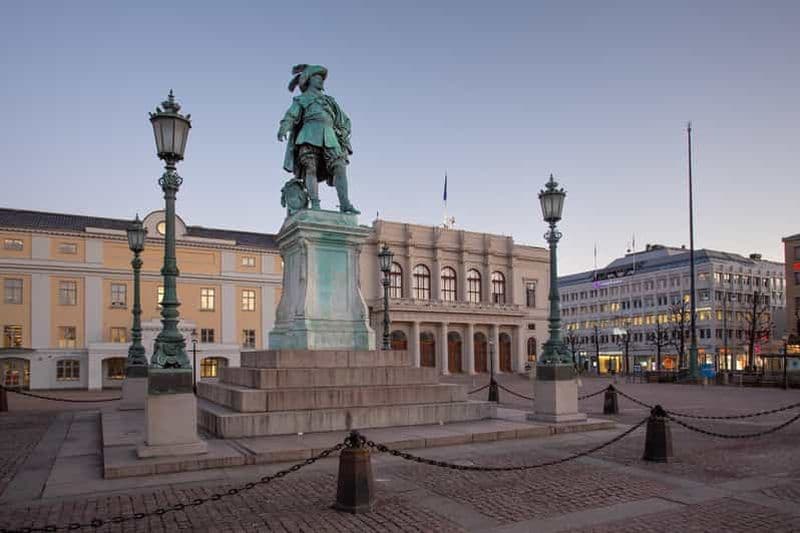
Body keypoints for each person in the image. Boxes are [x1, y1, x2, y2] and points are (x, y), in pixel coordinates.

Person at [277, 64, 360, 214]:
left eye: (322, 78)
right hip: (308, 134)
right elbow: (291, 115)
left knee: (339, 167)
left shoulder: (329, 101)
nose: (321, 81)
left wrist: (342, 132)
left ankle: (345, 203)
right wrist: (284, 127)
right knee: (310, 167)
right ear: (309, 80)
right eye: (317, 78)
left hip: (330, 136)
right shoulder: (302, 99)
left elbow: (345, 119)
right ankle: (315, 204)